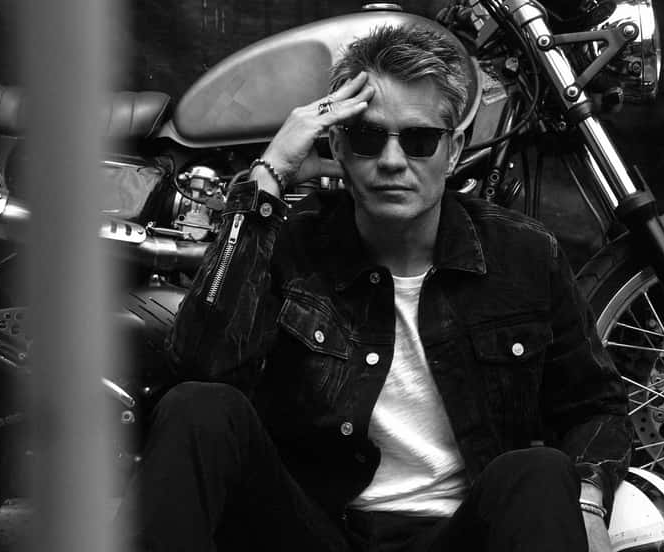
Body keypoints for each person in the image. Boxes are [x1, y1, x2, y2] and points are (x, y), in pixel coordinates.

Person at [115, 24, 631, 552]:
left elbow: (596, 407)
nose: (392, 161)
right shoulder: (292, 244)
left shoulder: (523, 253)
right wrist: (268, 177)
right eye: (367, 137)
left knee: (540, 471)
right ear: (338, 146)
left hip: (459, 538)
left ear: (453, 151)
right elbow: (197, 369)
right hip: (314, 533)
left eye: (419, 140)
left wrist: (589, 502)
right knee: (199, 407)